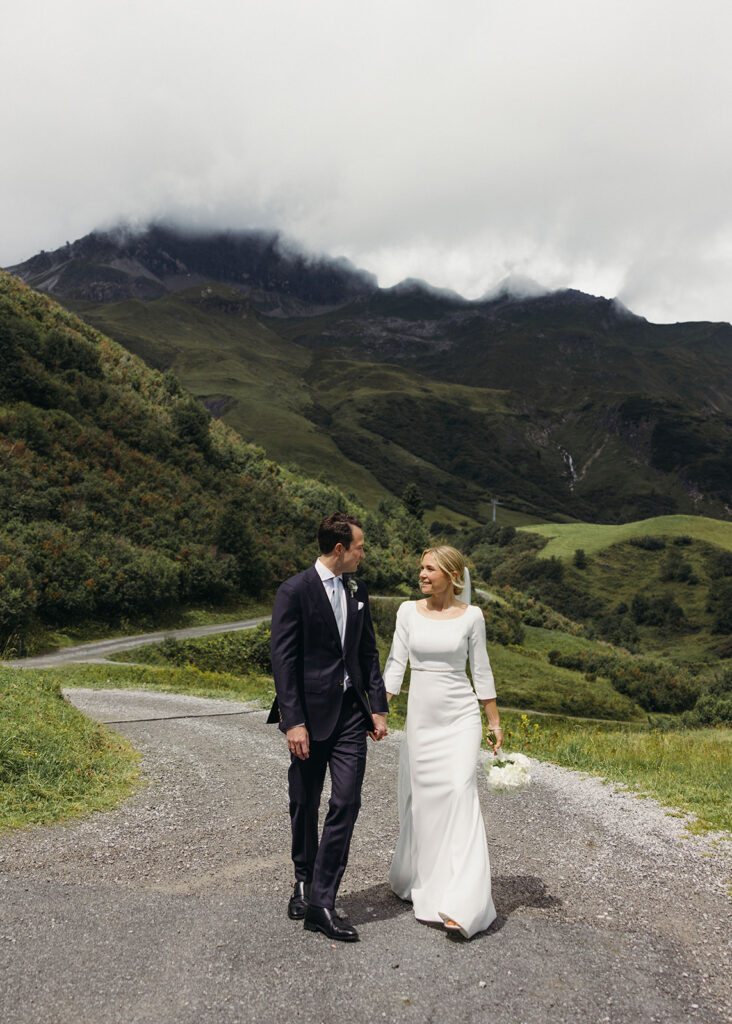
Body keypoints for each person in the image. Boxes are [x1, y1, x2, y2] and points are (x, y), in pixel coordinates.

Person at [268, 512, 389, 943]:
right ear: (339, 549)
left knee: (347, 801)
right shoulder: (294, 590)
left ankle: (322, 900)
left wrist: (378, 707)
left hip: (351, 714)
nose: (362, 554)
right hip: (308, 716)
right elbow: (283, 660)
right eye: (359, 547)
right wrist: (293, 721)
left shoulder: (359, 590)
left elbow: (367, 652)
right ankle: (303, 879)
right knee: (304, 801)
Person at [383, 545, 502, 938]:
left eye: (430, 569)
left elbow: (481, 671)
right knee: (424, 801)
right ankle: (422, 877)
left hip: (461, 717)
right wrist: (377, 711)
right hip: (421, 721)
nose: (422, 574)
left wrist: (494, 723)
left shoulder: (472, 616)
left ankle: (466, 901)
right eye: (421, 568)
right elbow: (395, 665)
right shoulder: (406, 612)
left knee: (460, 791)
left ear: (452, 575)